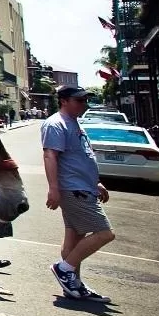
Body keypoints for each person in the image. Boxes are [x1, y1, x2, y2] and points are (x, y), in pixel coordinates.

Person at [42, 86, 116, 303]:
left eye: (85, 100)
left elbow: (81, 157)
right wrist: (53, 188)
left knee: (73, 240)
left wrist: (96, 182)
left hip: (83, 187)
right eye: (80, 100)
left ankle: (73, 286)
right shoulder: (56, 124)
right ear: (64, 100)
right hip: (73, 189)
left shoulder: (73, 122)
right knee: (105, 233)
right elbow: (50, 156)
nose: (84, 104)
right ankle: (64, 269)